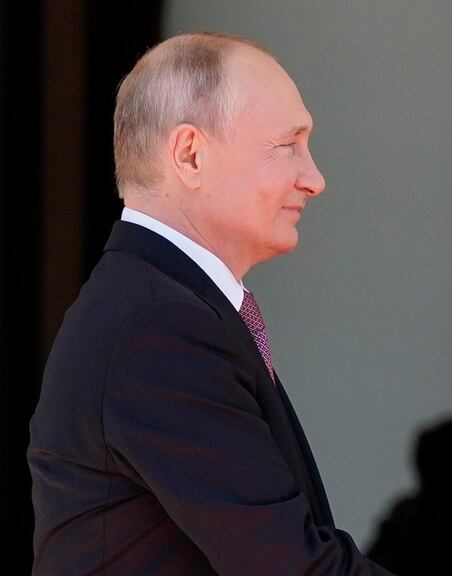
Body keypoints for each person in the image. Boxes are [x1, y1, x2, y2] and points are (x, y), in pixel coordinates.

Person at [28, 32, 392, 575]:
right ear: (191, 155)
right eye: (286, 145)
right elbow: (289, 566)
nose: (314, 178)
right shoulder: (159, 324)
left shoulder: (161, 303)